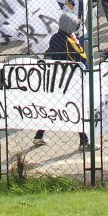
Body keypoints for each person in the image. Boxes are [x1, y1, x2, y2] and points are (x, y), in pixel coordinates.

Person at [32, 12, 89, 149]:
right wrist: (77, 43)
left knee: (52, 108)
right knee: (76, 111)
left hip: (56, 80)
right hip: (68, 81)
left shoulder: (55, 37)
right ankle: (84, 142)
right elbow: (82, 59)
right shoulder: (69, 41)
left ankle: (38, 136)